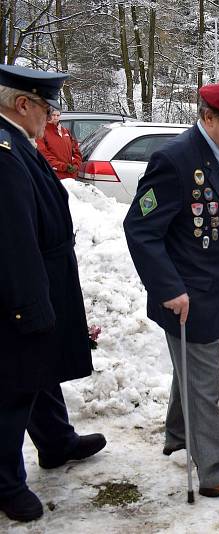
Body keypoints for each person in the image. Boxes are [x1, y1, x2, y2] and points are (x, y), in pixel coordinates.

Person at [123, 81, 219, 500]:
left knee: (194, 371)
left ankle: (177, 432)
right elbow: (140, 229)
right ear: (208, 117)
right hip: (188, 297)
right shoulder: (175, 160)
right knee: (206, 382)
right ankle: (217, 471)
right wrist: (168, 288)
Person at [0, 64, 106, 523]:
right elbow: (12, 238)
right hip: (23, 285)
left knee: (41, 370)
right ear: (23, 104)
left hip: (44, 274)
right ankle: (5, 484)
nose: (51, 115)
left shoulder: (17, 143)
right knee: (14, 386)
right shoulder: (3, 153)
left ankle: (56, 440)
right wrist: (29, 306)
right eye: (47, 105)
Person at [35, 108, 82, 179]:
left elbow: (76, 150)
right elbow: (43, 155)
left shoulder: (65, 131)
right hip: (54, 176)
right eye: (53, 115)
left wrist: (76, 165)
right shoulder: (41, 132)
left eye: (58, 115)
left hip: (71, 177)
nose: (56, 117)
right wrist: (63, 167)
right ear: (47, 116)